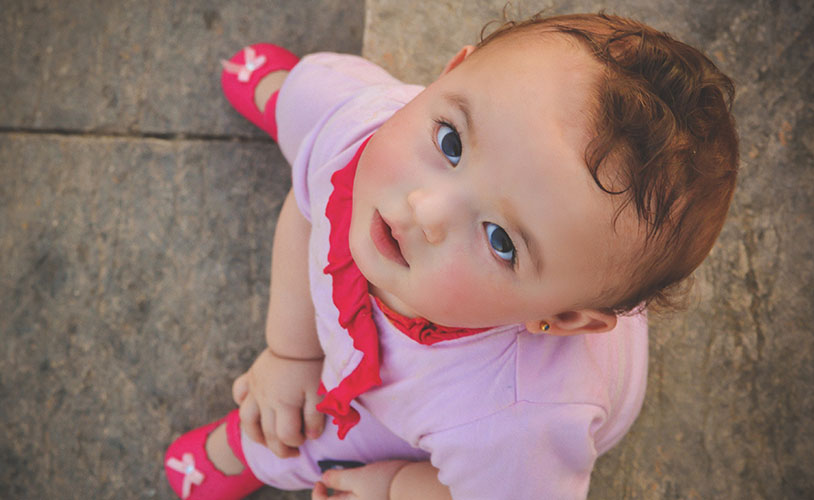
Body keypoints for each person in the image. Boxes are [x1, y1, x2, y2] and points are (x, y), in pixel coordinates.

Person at [164, 12, 739, 500]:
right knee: (324, 105)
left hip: (436, 407)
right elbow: (308, 208)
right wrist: (291, 354)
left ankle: (262, 447)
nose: (426, 208)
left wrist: (395, 486)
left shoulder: (512, 421)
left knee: (318, 430)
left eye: (500, 240)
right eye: (451, 141)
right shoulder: (368, 137)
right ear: (452, 71)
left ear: (561, 318)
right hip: (387, 134)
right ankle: (291, 106)